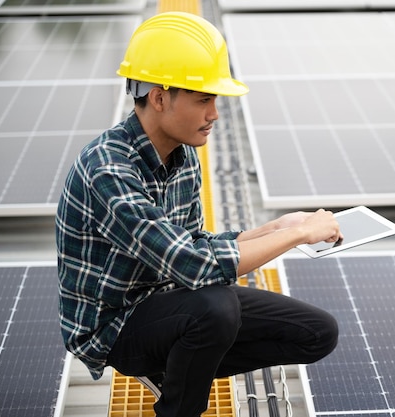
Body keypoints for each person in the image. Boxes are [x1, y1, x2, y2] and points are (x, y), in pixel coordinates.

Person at [56, 11, 340, 417]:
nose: (214, 115)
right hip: (114, 326)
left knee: (316, 333)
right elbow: (191, 264)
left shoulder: (183, 156)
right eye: (204, 99)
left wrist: (277, 226)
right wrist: (298, 236)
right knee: (216, 308)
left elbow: (193, 244)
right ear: (159, 97)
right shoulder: (108, 170)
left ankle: (183, 368)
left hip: (168, 301)